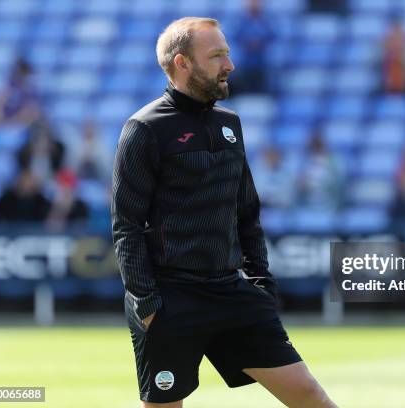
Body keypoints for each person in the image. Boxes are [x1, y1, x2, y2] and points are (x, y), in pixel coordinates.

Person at [111, 17, 337, 408]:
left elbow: (247, 210)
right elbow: (126, 226)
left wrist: (261, 282)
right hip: (171, 297)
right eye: (216, 55)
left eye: (227, 54)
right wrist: (146, 303)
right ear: (182, 63)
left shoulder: (230, 125)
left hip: (231, 292)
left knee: (308, 394)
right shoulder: (144, 128)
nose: (229, 65)